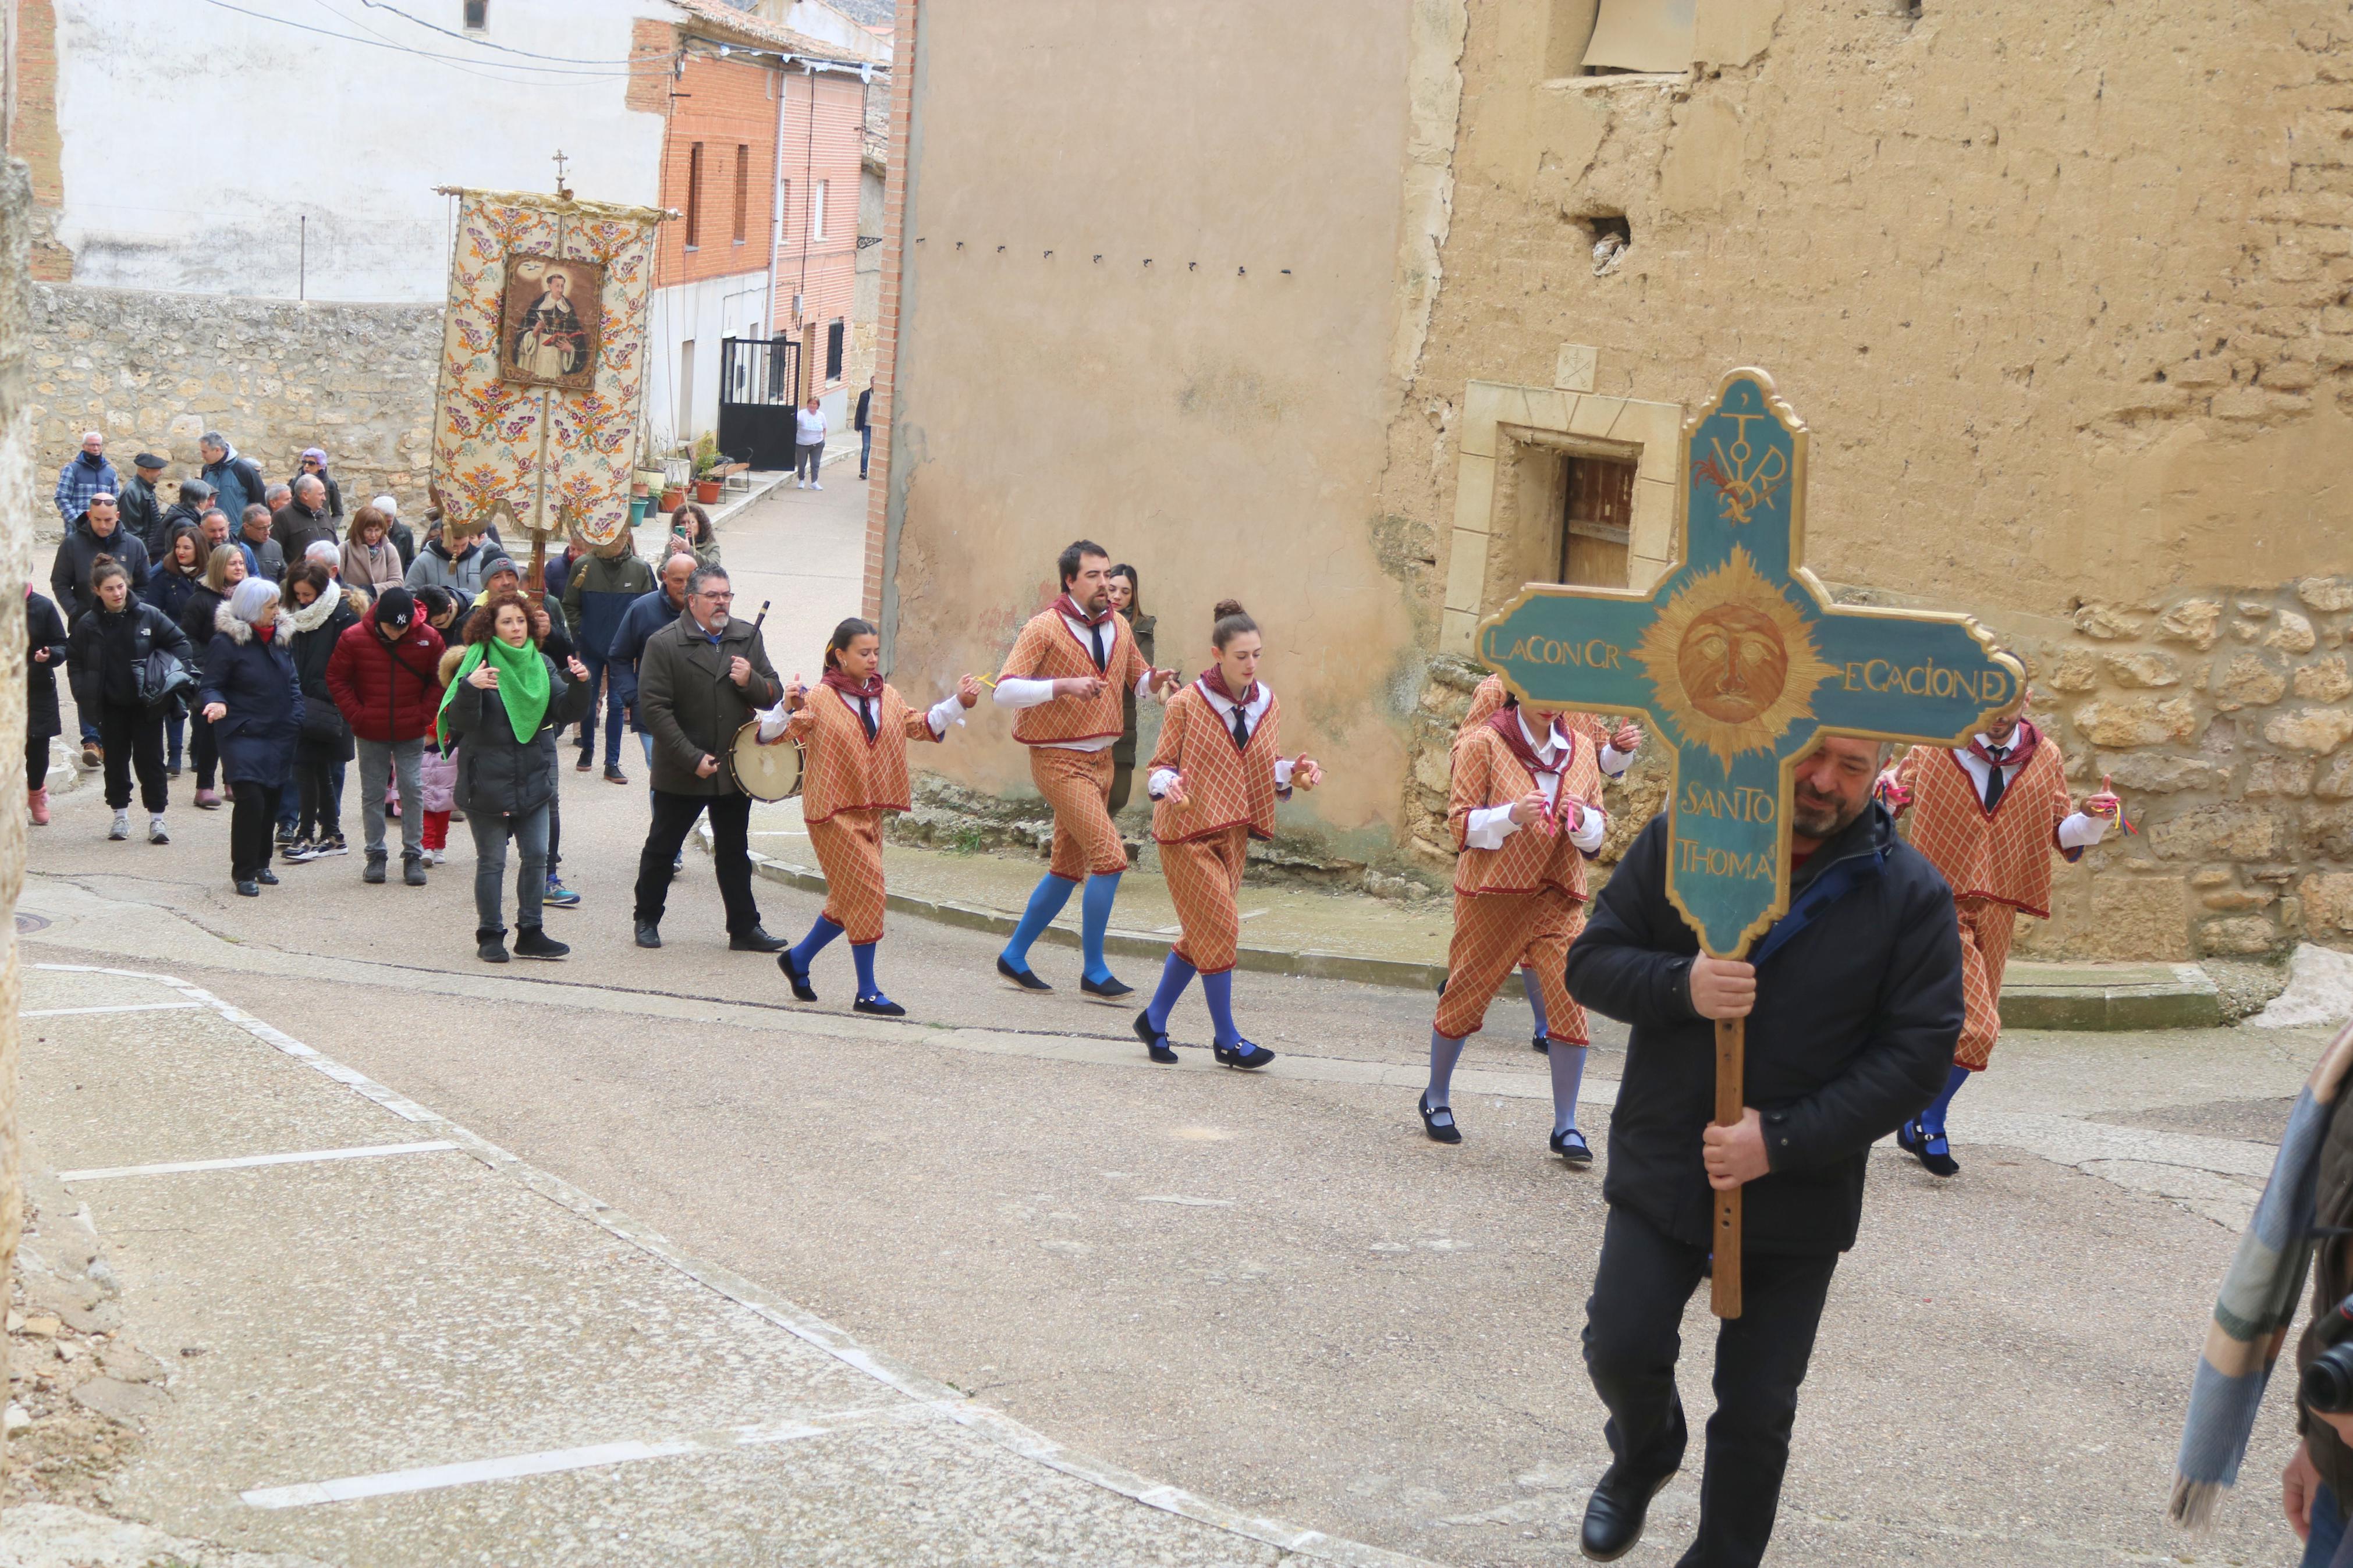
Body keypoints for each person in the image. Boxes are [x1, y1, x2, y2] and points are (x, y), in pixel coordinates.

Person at [1563, 734, 1964, 1567]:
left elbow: (1915, 1053)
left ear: (1878, 773)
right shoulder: (1686, 837)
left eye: (1851, 767)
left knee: (1755, 1408)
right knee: (1619, 1343)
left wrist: (1777, 1141)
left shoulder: (1911, 893)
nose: (1822, 781)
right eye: (1811, 755)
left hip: (1797, 1190)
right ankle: (1644, 1450)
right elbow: (1590, 961)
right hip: (1667, 1155)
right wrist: (1682, 985)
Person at [1878, 687, 2119, 1176]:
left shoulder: (2044, 754)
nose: (1997, 715)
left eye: (2007, 702)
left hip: (2000, 908)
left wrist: (2092, 820)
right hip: (1937, 904)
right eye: (1986, 701)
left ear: (2025, 698)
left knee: (1950, 1023)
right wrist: (1884, 796)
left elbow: (2059, 831)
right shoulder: (1935, 744)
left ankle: (1911, 1116)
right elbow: (1885, 804)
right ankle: (1930, 1119)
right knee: (1979, 1029)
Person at [1419, 694, 1610, 1159]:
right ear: (1518, 687)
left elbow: (1599, 831)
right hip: (1494, 895)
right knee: (1465, 991)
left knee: (1570, 999)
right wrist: (1511, 815)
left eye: (1558, 695)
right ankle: (1436, 1095)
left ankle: (1565, 1124)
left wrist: (1583, 821)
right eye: (1539, 692)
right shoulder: (1483, 742)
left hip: (1557, 894)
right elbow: (1460, 824)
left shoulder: (1581, 747)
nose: (1550, 705)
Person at [1134, 600, 1321, 1071]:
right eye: (1241, 656)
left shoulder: (1267, 703)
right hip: (1185, 833)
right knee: (1221, 927)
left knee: (1202, 935)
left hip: (1233, 831)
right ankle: (1227, 1039)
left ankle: (1153, 1019)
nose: (1251, 664)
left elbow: (1261, 767)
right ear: (1216, 654)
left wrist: (1294, 774)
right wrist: (1167, 785)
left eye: (1257, 654)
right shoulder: (1185, 703)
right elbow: (1158, 767)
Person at [990, 539, 1177, 997]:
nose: (1104, 585)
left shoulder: (1118, 626)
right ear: (1070, 581)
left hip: (1103, 759)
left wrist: (1155, 680)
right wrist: (1062, 686)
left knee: (1066, 869)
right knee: (1110, 859)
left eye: (1106, 574)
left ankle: (1014, 955)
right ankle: (1094, 970)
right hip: (1057, 759)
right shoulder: (1043, 628)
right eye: (1093, 575)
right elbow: (1004, 691)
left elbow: (1139, 685)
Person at [768, 619, 981, 1014]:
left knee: (848, 897)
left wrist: (958, 703)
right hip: (830, 813)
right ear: (840, 655)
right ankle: (866, 991)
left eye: (874, 652)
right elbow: (769, 735)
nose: (871, 660)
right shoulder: (816, 698)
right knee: (870, 891)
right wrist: (784, 706)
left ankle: (797, 959)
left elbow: (921, 726)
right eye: (862, 653)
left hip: (871, 812)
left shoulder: (889, 698)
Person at [1454, 671, 1644, 1054]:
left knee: (1547, 940)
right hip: (1503, 843)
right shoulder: (1496, 687)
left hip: (1557, 846)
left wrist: (1620, 750)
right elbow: (1466, 752)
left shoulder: (1572, 687)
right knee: (1485, 955)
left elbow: (1598, 758)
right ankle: (1462, 1001)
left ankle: (1546, 1026)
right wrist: (1508, 804)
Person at [630, 564, 787, 952]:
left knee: (734, 851)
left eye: (727, 595)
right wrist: (690, 757)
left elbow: (772, 694)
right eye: (714, 596)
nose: (722, 603)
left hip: (734, 768)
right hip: (684, 768)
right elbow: (654, 709)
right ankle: (646, 917)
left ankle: (744, 928)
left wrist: (749, 679)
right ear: (692, 600)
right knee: (663, 847)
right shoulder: (664, 643)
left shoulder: (746, 637)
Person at [438, 591, 591, 961]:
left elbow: (563, 710)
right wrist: (470, 689)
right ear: (492, 628)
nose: (516, 628)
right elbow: (460, 723)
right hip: (486, 780)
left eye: (521, 621)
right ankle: (490, 934)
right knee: (492, 861)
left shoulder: (540, 664)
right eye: (507, 621)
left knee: (538, 855)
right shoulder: (476, 665)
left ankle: (531, 932)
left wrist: (580, 684)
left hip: (532, 777)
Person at [67, 556, 191, 845]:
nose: (117, 593)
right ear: (97, 591)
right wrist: (83, 690)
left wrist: (167, 678)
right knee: (117, 764)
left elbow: (180, 644)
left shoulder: (148, 615)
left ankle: (157, 820)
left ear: (128, 585)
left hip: (147, 706)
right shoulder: (87, 624)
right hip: (110, 707)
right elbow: (74, 659)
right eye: (109, 589)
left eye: (120, 587)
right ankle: (120, 815)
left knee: (151, 762)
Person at [326, 583, 443, 887]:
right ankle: (376, 854)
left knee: (413, 788)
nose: (397, 634)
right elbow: (337, 678)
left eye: (402, 629)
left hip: (410, 728)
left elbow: (441, 679)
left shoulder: (429, 639)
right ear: (379, 619)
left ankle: (413, 855)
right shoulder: (353, 638)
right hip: (371, 729)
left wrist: (423, 714)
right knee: (373, 793)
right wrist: (357, 715)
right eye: (391, 628)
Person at [200, 578, 303, 897]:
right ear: (253, 608)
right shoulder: (227, 642)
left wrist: (297, 715)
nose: (277, 611)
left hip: (279, 731)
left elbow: (293, 682)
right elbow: (210, 684)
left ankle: (262, 863)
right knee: (251, 800)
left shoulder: (281, 639)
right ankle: (243, 871)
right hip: (242, 732)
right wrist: (215, 702)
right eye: (271, 606)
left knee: (271, 796)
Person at [49, 492, 151, 767]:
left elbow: (144, 584)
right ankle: (91, 739)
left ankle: (118, 732)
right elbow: (59, 583)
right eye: (97, 520)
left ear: (117, 517)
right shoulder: (72, 545)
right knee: (89, 679)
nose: (103, 525)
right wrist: (78, 613)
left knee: (123, 677)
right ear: (88, 517)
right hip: (87, 627)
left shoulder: (134, 546)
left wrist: (133, 611)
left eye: (108, 520)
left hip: (125, 626)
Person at [279, 560, 359, 862]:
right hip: (301, 704)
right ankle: (331, 833)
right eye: (298, 594)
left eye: (307, 595)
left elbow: (348, 668)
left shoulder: (342, 618)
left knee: (313, 768)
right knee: (314, 769)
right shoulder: (294, 618)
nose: (302, 600)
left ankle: (308, 834)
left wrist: (322, 692)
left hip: (327, 706)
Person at [562, 535, 654, 784]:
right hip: (591, 647)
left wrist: (637, 641)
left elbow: (650, 607)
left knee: (617, 703)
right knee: (589, 700)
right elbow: (570, 604)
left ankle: (612, 763)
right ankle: (587, 749)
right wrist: (582, 632)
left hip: (623, 652)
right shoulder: (583, 565)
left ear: (626, 535)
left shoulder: (639, 569)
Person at [611, 552, 696, 783]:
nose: (686, 587)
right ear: (665, 577)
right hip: (653, 713)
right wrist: (634, 697)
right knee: (662, 774)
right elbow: (619, 657)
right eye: (678, 580)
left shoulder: (709, 610)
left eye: (692, 579)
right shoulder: (642, 610)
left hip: (697, 713)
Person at [180, 545, 247, 810]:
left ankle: (231, 780)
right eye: (233, 564)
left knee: (238, 731)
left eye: (241, 563)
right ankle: (204, 787)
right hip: (212, 676)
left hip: (242, 674)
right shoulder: (201, 600)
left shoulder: (249, 597)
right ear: (220, 567)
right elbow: (186, 638)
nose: (239, 568)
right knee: (210, 732)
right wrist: (210, 661)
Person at [145, 525, 209, 778]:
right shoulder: (163, 574)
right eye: (178, 546)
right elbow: (152, 610)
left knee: (201, 699)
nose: (181, 552)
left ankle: (197, 752)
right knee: (175, 697)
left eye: (187, 547)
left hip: (202, 645)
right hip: (171, 643)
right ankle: (174, 753)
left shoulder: (208, 575)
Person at [416, 588, 463, 865]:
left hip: (443, 755)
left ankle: (438, 845)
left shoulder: (450, 699)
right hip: (431, 754)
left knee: (443, 805)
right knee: (425, 804)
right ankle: (428, 845)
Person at [1105, 563, 1156, 816]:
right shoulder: (1087, 621)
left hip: (1122, 716)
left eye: (1125, 592)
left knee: (1117, 796)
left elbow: (1143, 674)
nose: (1117, 597)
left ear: (1133, 596)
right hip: (1087, 716)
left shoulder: (1142, 627)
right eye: (1112, 589)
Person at [24, 585, 69, 827]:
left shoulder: (43, 606)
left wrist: (49, 654)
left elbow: (62, 644)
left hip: (36, 686)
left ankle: (35, 795)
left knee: (37, 746)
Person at [510, 269, 588, 379]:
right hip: (537, 355)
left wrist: (571, 349)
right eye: (557, 286)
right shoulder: (538, 306)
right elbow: (521, 334)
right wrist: (533, 333)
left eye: (562, 286)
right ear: (549, 286)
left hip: (558, 357)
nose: (560, 290)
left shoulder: (568, 309)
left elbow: (577, 337)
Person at [404, 518, 503, 599]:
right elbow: (410, 594)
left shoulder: (480, 558)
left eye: (464, 545)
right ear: (442, 535)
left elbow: (492, 592)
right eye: (454, 546)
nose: (459, 551)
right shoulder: (424, 561)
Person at [53, 431, 118, 527]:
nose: (95, 448)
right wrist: (77, 521)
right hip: (78, 531)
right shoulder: (71, 470)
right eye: (92, 445)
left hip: (103, 528)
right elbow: (61, 498)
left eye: (98, 445)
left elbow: (115, 500)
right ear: (84, 446)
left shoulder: (111, 473)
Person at [198, 432, 266, 522]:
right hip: (211, 531)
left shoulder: (244, 470)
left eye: (204, 452)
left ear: (217, 450)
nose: (202, 456)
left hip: (237, 533)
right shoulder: (207, 470)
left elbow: (260, 504)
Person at [340, 504, 406, 592]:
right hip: (352, 604)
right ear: (359, 529)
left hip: (380, 604)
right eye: (369, 530)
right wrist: (356, 592)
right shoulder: (344, 550)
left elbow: (397, 582)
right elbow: (334, 583)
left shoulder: (389, 550)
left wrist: (374, 590)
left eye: (377, 530)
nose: (373, 535)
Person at [273, 475, 338, 559]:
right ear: (305, 495)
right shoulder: (282, 516)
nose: (324, 498)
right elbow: (275, 553)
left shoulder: (324, 514)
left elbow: (335, 545)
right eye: (321, 494)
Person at [119, 451, 168, 555]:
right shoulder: (132, 493)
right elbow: (132, 532)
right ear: (146, 471)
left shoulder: (145, 488)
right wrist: (144, 554)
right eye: (158, 470)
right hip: (140, 553)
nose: (161, 473)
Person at [159, 478, 217, 552]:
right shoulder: (186, 525)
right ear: (200, 502)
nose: (212, 504)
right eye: (207, 499)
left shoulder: (176, 513)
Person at [292, 447, 343, 522]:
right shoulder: (295, 482)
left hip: (321, 527)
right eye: (304, 462)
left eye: (311, 463)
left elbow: (338, 513)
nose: (306, 466)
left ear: (320, 466)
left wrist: (330, 528)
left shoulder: (330, 485)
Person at [237, 505, 286, 585]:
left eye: (269, 527)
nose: (268, 532)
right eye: (262, 528)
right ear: (247, 526)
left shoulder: (275, 547)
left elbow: (283, 578)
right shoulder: (235, 547)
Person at [371, 494, 417, 570]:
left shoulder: (405, 534)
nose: (384, 526)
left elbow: (410, 561)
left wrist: (400, 579)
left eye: (388, 521)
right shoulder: (361, 533)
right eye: (381, 521)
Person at [667, 503, 720, 567]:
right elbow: (661, 573)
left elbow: (714, 568)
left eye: (691, 522)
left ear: (700, 524)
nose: (686, 527)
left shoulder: (711, 547)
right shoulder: (672, 546)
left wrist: (688, 550)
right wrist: (673, 559)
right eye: (683, 523)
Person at [794, 395, 827, 489]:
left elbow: (825, 428)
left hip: (817, 444)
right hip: (802, 444)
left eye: (814, 404)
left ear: (818, 406)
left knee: (815, 463)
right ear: (808, 404)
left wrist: (823, 439)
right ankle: (801, 480)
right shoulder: (802, 414)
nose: (812, 406)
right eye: (810, 403)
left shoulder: (821, 415)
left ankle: (814, 482)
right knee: (802, 463)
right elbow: (794, 422)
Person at [853, 384, 872, 479]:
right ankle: (864, 471)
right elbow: (859, 410)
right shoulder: (865, 395)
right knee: (866, 448)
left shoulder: (882, 396)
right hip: (867, 427)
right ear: (871, 384)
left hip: (878, 428)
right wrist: (857, 426)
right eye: (874, 383)